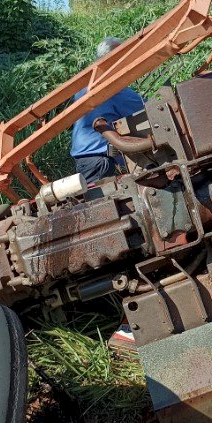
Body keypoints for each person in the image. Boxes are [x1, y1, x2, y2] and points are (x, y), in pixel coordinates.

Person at [71, 36, 145, 352]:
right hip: (102, 161)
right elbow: (147, 114)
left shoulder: (81, 88)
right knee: (120, 231)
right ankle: (129, 318)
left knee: (101, 226)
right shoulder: (119, 89)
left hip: (84, 161)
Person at [70, 37, 145, 184]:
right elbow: (144, 108)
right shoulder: (110, 89)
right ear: (112, 60)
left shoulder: (85, 87)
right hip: (98, 162)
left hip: (89, 161)